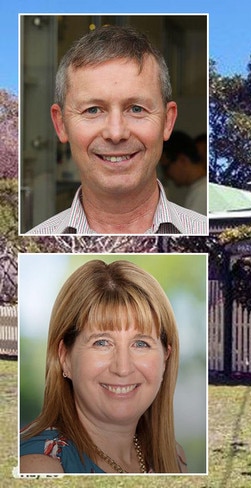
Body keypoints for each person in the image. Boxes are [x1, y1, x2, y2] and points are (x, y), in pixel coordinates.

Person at [26, 24, 207, 235]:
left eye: (136, 109)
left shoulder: (211, 236)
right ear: (60, 124)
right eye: (93, 110)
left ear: (167, 121)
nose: (115, 133)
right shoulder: (32, 247)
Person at [20, 260, 188, 473]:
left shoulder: (173, 458)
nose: (123, 368)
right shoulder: (40, 466)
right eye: (102, 342)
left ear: (166, 359)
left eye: (140, 343)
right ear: (65, 358)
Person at [160, 131, 208, 215]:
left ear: (183, 160)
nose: (167, 175)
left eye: (166, 167)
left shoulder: (202, 192)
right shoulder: (199, 189)